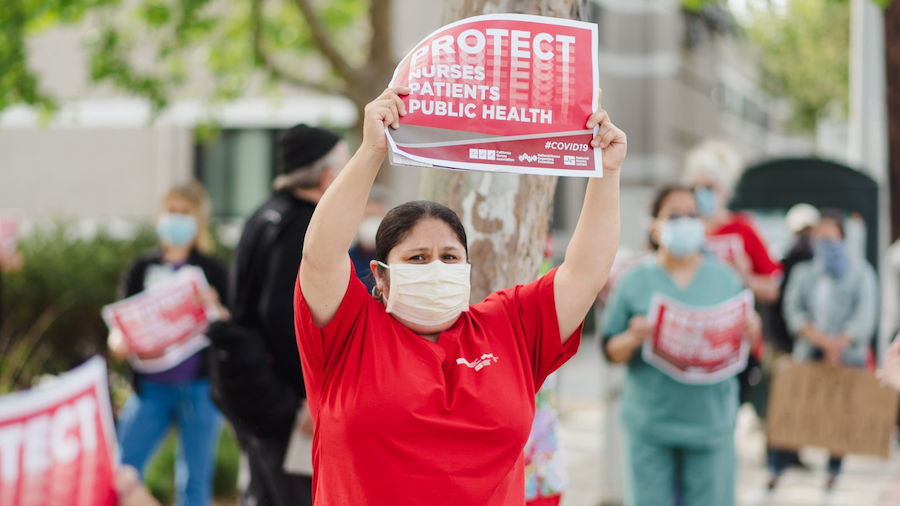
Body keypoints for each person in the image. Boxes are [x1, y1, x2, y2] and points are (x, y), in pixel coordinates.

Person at [294, 86, 625, 505]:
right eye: (417, 257)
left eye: (449, 257)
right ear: (381, 275)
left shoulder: (510, 326)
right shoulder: (349, 332)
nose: (436, 267)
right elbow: (320, 256)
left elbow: (585, 273)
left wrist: (607, 171)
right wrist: (371, 151)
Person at [601, 185, 761, 506]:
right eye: (674, 215)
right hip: (651, 426)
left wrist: (752, 330)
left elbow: (748, 347)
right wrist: (633, 337)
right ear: (655, 225)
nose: (685, 222)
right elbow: (609, 350)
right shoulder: (633, 282)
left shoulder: (725, 279)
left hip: (710, 425)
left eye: (692, 215)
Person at [222, 124, 349, 506]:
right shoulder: (304, 226)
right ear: (327, 175)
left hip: (247, 383)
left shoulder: (264, 214)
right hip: (280, 395)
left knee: (261, 494)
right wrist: (309, 391)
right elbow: (281, 313)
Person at [109, 182, 229, 506]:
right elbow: (120, 321)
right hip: (149, 389)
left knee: (194, 481)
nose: (176, 219)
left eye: (185, 213)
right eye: (171, 211)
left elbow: (232, 327)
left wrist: (215, 307)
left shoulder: (213, 269)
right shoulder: (141, 268)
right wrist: (117, 341)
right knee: (121, 473)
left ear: (199, 221)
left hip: (199, 389)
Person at [775, 210, 878, 492]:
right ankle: (777, 468)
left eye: (831, 238)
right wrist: (820, 341)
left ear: (843, 240)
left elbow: (864, 317)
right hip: (810, 349)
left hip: (846, 355)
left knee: (838, 417)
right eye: (820, 238)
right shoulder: (804, 273)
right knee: (792, 411)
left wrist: (839, 344)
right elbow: (793, 311)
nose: (825, 244)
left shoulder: (861, 274)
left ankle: (833, 472)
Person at [682, 141, 781, 303]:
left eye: (708, 187)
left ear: (725, 190)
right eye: (695, 187)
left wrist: (745, 279)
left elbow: (772, 289)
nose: (700, 194)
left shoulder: (742, 229)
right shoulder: (680, 229)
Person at [349, 185, 390, 291]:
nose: (373, 222)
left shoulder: (392, 259)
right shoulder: (347, 259)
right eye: (369, 215)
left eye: (378, 216)